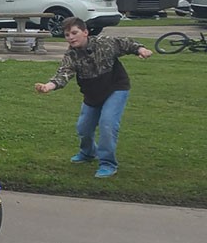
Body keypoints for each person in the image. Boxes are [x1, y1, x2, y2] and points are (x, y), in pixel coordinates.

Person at [34, 18, 153, 178]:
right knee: (83, 128)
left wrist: (141, 50)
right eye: (67, 34)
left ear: (85, 32)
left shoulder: (105, 43)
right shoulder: (71, 55)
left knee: (107, 124)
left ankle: (108, 163)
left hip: (115, 88)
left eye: (74, 33)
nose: (70, 37)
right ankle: (88, 153)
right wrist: (48, 86)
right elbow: (63, 74)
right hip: (92, 94)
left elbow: (127, 44)